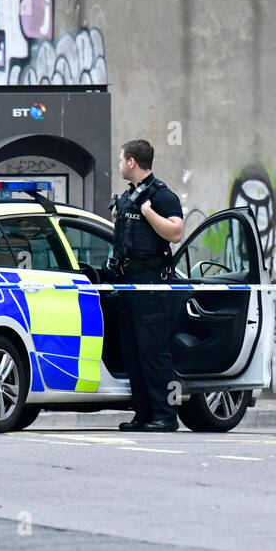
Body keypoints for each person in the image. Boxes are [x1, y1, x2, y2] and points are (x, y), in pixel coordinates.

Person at [108, 139, 185, 432]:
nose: (119, 165)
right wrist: (118, 216)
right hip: (127, 281)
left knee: (154, 352)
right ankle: (143, 414)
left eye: (121, 160)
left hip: (151, 283)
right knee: (133, 351)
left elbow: (176, 232)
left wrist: (149, 212)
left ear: (132, 162)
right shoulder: (131, 196)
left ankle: (165, 415)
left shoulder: (161, 196)